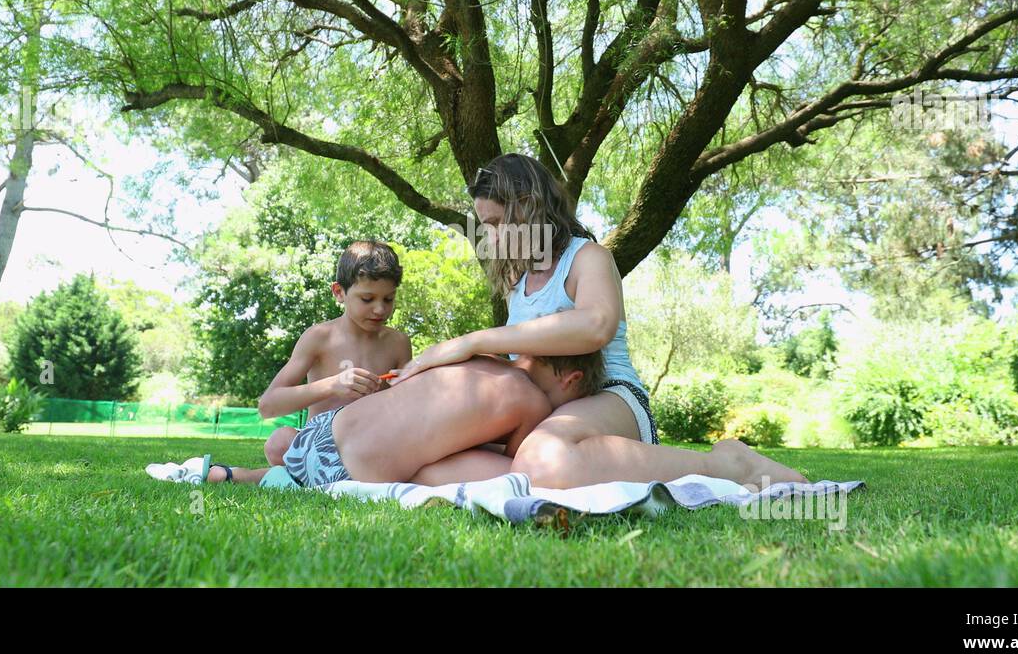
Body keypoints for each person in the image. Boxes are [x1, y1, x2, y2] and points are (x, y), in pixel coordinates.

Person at [388, 153, 807, 488]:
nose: (491, 238)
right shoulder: (518, 285)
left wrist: (476, 340)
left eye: (497, 223)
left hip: (610, 397)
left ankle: (727, 466)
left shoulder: (588, 258)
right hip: (545, 413)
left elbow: (595, 326)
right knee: (434, 467)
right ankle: (554, 473)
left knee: (543, 459)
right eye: (486, 227)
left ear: (529, 207)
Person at [147, 351, 605, 488]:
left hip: (324, 430)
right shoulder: (534, 402)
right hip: (355, 468)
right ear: (571, 380)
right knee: (521, 475)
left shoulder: (477, 359)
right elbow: (518, 458)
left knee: (309, 465)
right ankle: (242, 476)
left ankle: (229, 474)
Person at [255, 240, 412, 465]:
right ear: (339, 292)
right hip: (320, 444)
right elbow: (268, 406)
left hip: (373, 444)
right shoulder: (319, 337)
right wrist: (333, 385)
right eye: (367, 299)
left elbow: (407, 410)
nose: (380, 309)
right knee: (279, 442)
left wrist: (402, 389)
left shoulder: (398, 342)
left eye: (389, 299)